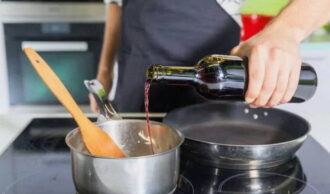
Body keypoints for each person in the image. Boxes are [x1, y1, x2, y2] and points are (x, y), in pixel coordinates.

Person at [90, 0, 330, 113]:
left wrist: (284, 32)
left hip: (211, 97)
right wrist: (104, 72)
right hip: (134, 82)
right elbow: (115, 5)